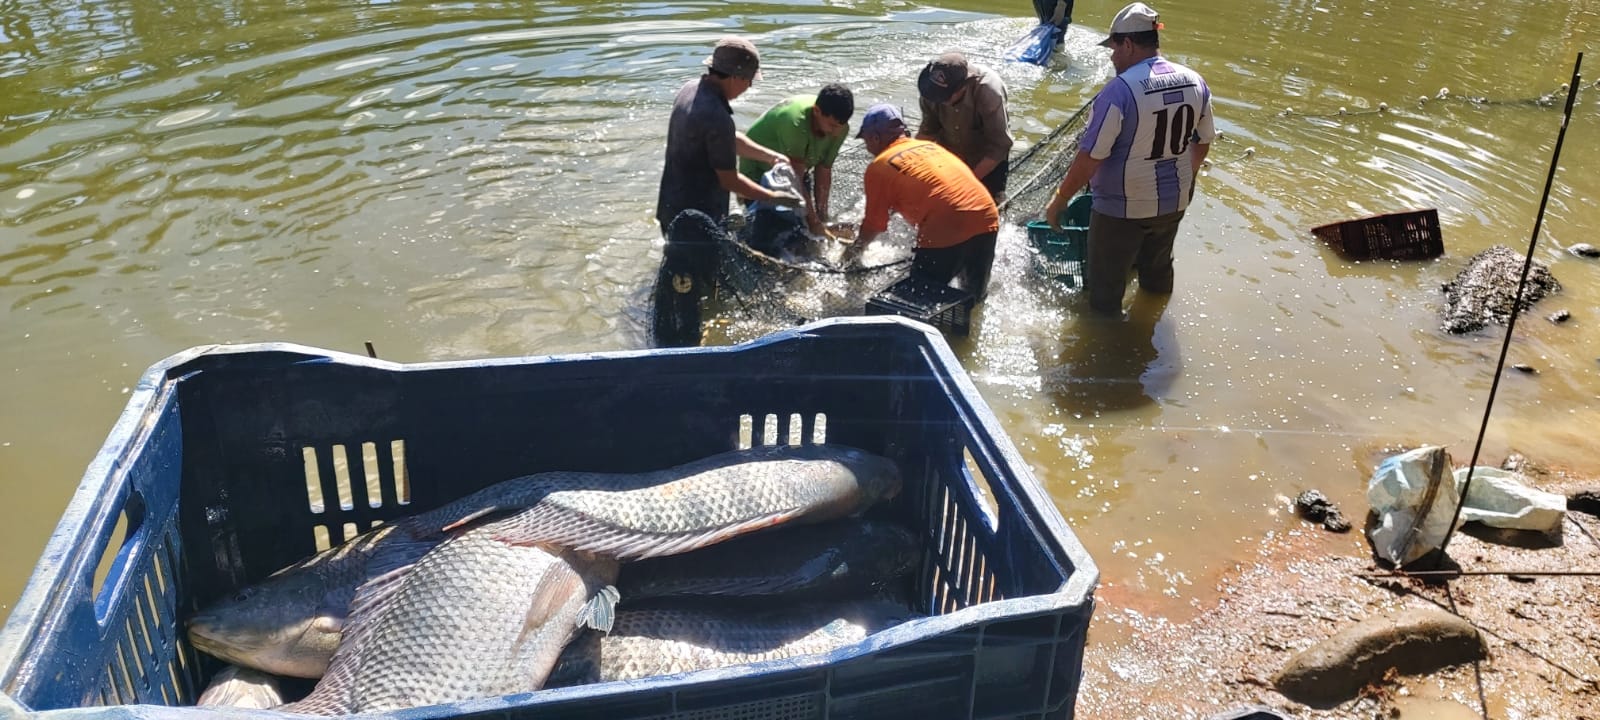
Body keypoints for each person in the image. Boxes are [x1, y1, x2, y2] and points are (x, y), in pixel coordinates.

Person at [1042, 2, 1213, 315]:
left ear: (1129, 44)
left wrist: (1060, 199)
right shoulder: (1195, 81)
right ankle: (1152, 330)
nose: (1111, 56)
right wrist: (1182, 179)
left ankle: (1110, 355)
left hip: (1120, 210)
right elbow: (1202, 143)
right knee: (1159, 273)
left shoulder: (1119, 92)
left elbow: (1090, 158)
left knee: (1105, 293)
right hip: (1173, 203)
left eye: (1114, 47)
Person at [652, 36, 803, 348]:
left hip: (671, 206)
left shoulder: (692, 89)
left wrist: (771, 157)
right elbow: (729, 180)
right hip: (698, 220)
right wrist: (774, 198)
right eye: (748, 82)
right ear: (735, 77)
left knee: (684, 273)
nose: (748, 88)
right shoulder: (715, 115)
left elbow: (728, 138)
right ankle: (690, 346)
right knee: (696, 289)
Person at [845, 104, 1000, 299]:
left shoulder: (879, 166)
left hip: (947, 224)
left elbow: (874, 224)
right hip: (986, 218)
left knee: (918, 301)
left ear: (875, 138)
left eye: (866, 140)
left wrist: (854, 251)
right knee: (972, 299)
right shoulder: (930, 147)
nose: (867, 148)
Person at [738, 84, 855, 236]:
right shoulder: (795, 122)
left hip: (796, 166)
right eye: (832, 126)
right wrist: (814, 223)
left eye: (841, 126)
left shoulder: (840, 128)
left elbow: (824, 169)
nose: (836, 133)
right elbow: (796, 178)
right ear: (817, 111)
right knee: (773, 230)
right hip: (759, 171)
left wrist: (822, 217)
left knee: (805, 225)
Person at [915, 52, 1014, 199]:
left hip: (986, 160)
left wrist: (967, 183)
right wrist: (907, 161)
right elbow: (928, 131)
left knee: (990, 205)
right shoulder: (931, 91)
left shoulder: (988, 91)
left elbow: (999, 146)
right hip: (950, 155)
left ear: (963, 87)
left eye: (944, 96)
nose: (938, 100)